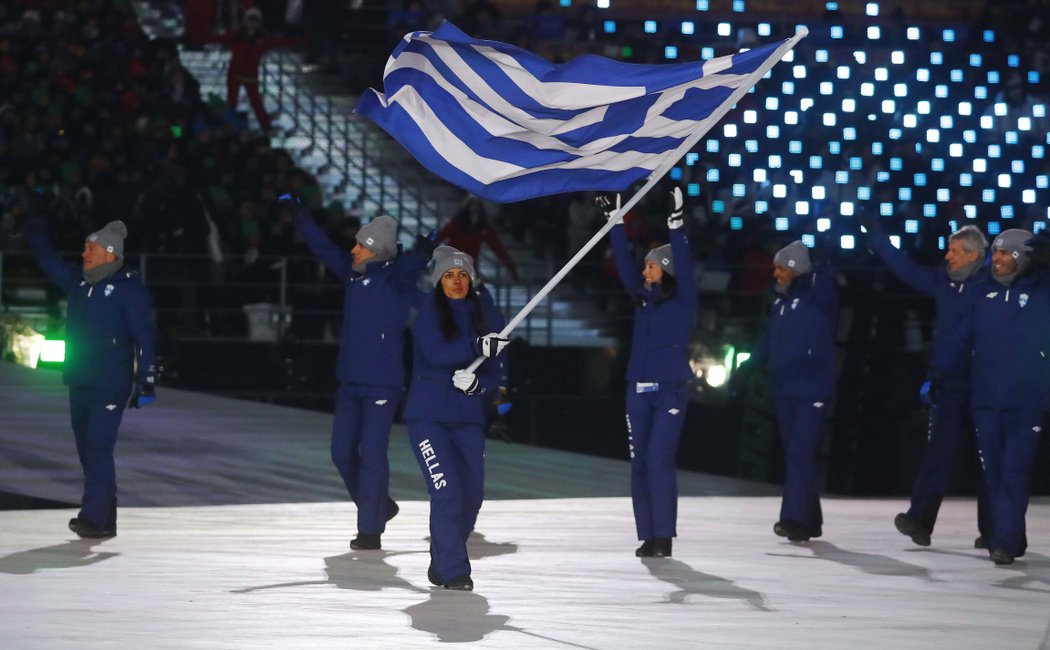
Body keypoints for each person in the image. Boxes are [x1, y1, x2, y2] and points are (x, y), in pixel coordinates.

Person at [286, 195, 432, 550]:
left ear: (377, 252)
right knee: (341, 452)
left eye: (360, 246)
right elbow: (323, 248)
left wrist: (423, 251)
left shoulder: (397, 281)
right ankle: (378, 505)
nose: (352, 250)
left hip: (382, 384)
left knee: (372, 452)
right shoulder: (352, 277)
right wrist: (302, 219)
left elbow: (410, 264)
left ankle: (370, 530)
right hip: (349, 381)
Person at [864, 221, 992, 547]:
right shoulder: (942, 282)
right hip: (949, 384)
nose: (947, 255)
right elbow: (905, 268)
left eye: (954, 251)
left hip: (985, 386)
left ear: (974, 255)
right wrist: (878, 239)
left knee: (988, 460)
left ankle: (993, 529)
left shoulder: (993, 285)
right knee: (937, 453)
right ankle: (920, 519)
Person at [27, 217, 157, 538]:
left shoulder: (129, 290)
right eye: (85, 246)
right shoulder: (79, 283)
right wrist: (35, 225)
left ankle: (93, 518)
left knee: (98, 448)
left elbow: (145, 337)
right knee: (87, 450)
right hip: (80, 380)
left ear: (110, 253)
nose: (84, 253)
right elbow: (47, 260)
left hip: (110, 385)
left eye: (90, 248)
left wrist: (147, 381)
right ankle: (106, 514)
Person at [932, 229, 1050, 565]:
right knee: (994, 472)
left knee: (1014, 470)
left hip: (1026, 401)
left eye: (1005, 254)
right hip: (985, 400)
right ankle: (1013, 534)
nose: (995, 259)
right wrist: (938, 374)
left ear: (1022, 259)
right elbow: (958, 338)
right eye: (995, 252)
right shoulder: (980, 291)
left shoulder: (1041, 291)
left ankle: (1004, 541)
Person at [404, 246, 508, 591]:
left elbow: (494, 376)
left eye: (462, 274)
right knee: (447, 491)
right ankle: (455, 570)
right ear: (438, 281)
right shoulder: (428, 313)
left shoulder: (485, 318)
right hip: (428, 418)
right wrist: (477, 347)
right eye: (449, 275)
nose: (456, 281)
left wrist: (479, 385)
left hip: (468, 420)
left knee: (472, 496)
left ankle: (442, 557)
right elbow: (435, 354)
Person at [605, 188, 697, 558]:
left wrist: (676, 225)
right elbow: (624, 264)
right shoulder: (642, 299)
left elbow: (686, 266)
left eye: (652, 266)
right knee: (639, 463)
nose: (644, 272)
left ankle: (664, 536)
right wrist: (616, 221)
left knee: (659, 458)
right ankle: (648, 535)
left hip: (670, 388)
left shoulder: (684, 297)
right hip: (637, 388)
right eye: (645, 266)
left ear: (667, 271)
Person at [731, 239, 838, 542]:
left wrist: (824, 265)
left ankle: (792, 518)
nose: (774, 273)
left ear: (795, 269)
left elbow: (826, 286)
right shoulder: (779, 306)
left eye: (780, 268)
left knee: (800, 452)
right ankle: (811, 519)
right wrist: (745, 370)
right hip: (785, 390)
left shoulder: (819, 300)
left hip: (812, 391)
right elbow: (767, 344)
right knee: (797, 454)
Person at [198, 8, 299, 132]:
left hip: (250, 75)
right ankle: (229, 126)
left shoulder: (262, 39)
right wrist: (200, 38)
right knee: (232, 101)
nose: (252, 23)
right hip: (234, 73)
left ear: (259, 22)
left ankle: (265, 125)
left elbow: (279, 42)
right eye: (250, 19)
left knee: (256, 102)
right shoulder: (236, 35)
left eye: (255, 20)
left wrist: (299, 41)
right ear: (245, 21)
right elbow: (218, 38)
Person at [436, 195, 519, 281]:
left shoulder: (483, 226)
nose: (475, 208)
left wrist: (511, 267)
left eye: (477, 205)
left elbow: (497, 247)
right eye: (472, 204)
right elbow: (441, 236)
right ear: (467, 206)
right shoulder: (457, 222)